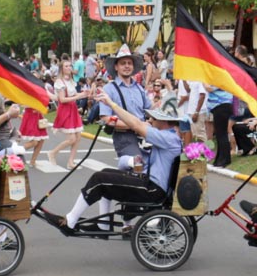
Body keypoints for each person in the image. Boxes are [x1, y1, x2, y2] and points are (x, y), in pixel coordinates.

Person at [40, 97, 182, 233]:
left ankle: (70, 221)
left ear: (164, 121)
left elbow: (135, 124)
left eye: (154, 118)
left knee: (99, 178)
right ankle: (103, 225)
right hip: (152, 183)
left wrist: (111, 104)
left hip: (153, 189)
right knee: (105, 172)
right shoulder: (169, 136)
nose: (150, 120)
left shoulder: (167, 137)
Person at [100, 45, 150, 158]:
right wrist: (135, 125)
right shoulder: (109, 89)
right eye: (123, 63)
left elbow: (150, 108)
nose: (127, 66)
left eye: (129, 63)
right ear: (116, 67)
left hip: (144, 134)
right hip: (124, 136)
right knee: (137, 164)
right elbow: (107, 119)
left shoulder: (139, 88)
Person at [48, 59, 88, 168]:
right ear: (62, 68)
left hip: (73, 109)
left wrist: (85, 94)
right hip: (65, 110)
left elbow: (75, 94)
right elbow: (62, 99)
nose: (69, 68)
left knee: (78, 137)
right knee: (71, 139)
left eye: (70, 66)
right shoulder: (59, 82)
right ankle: (53, 152)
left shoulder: (71, 80)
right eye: (66, 66)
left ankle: (71, 162)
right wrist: (78, 96)